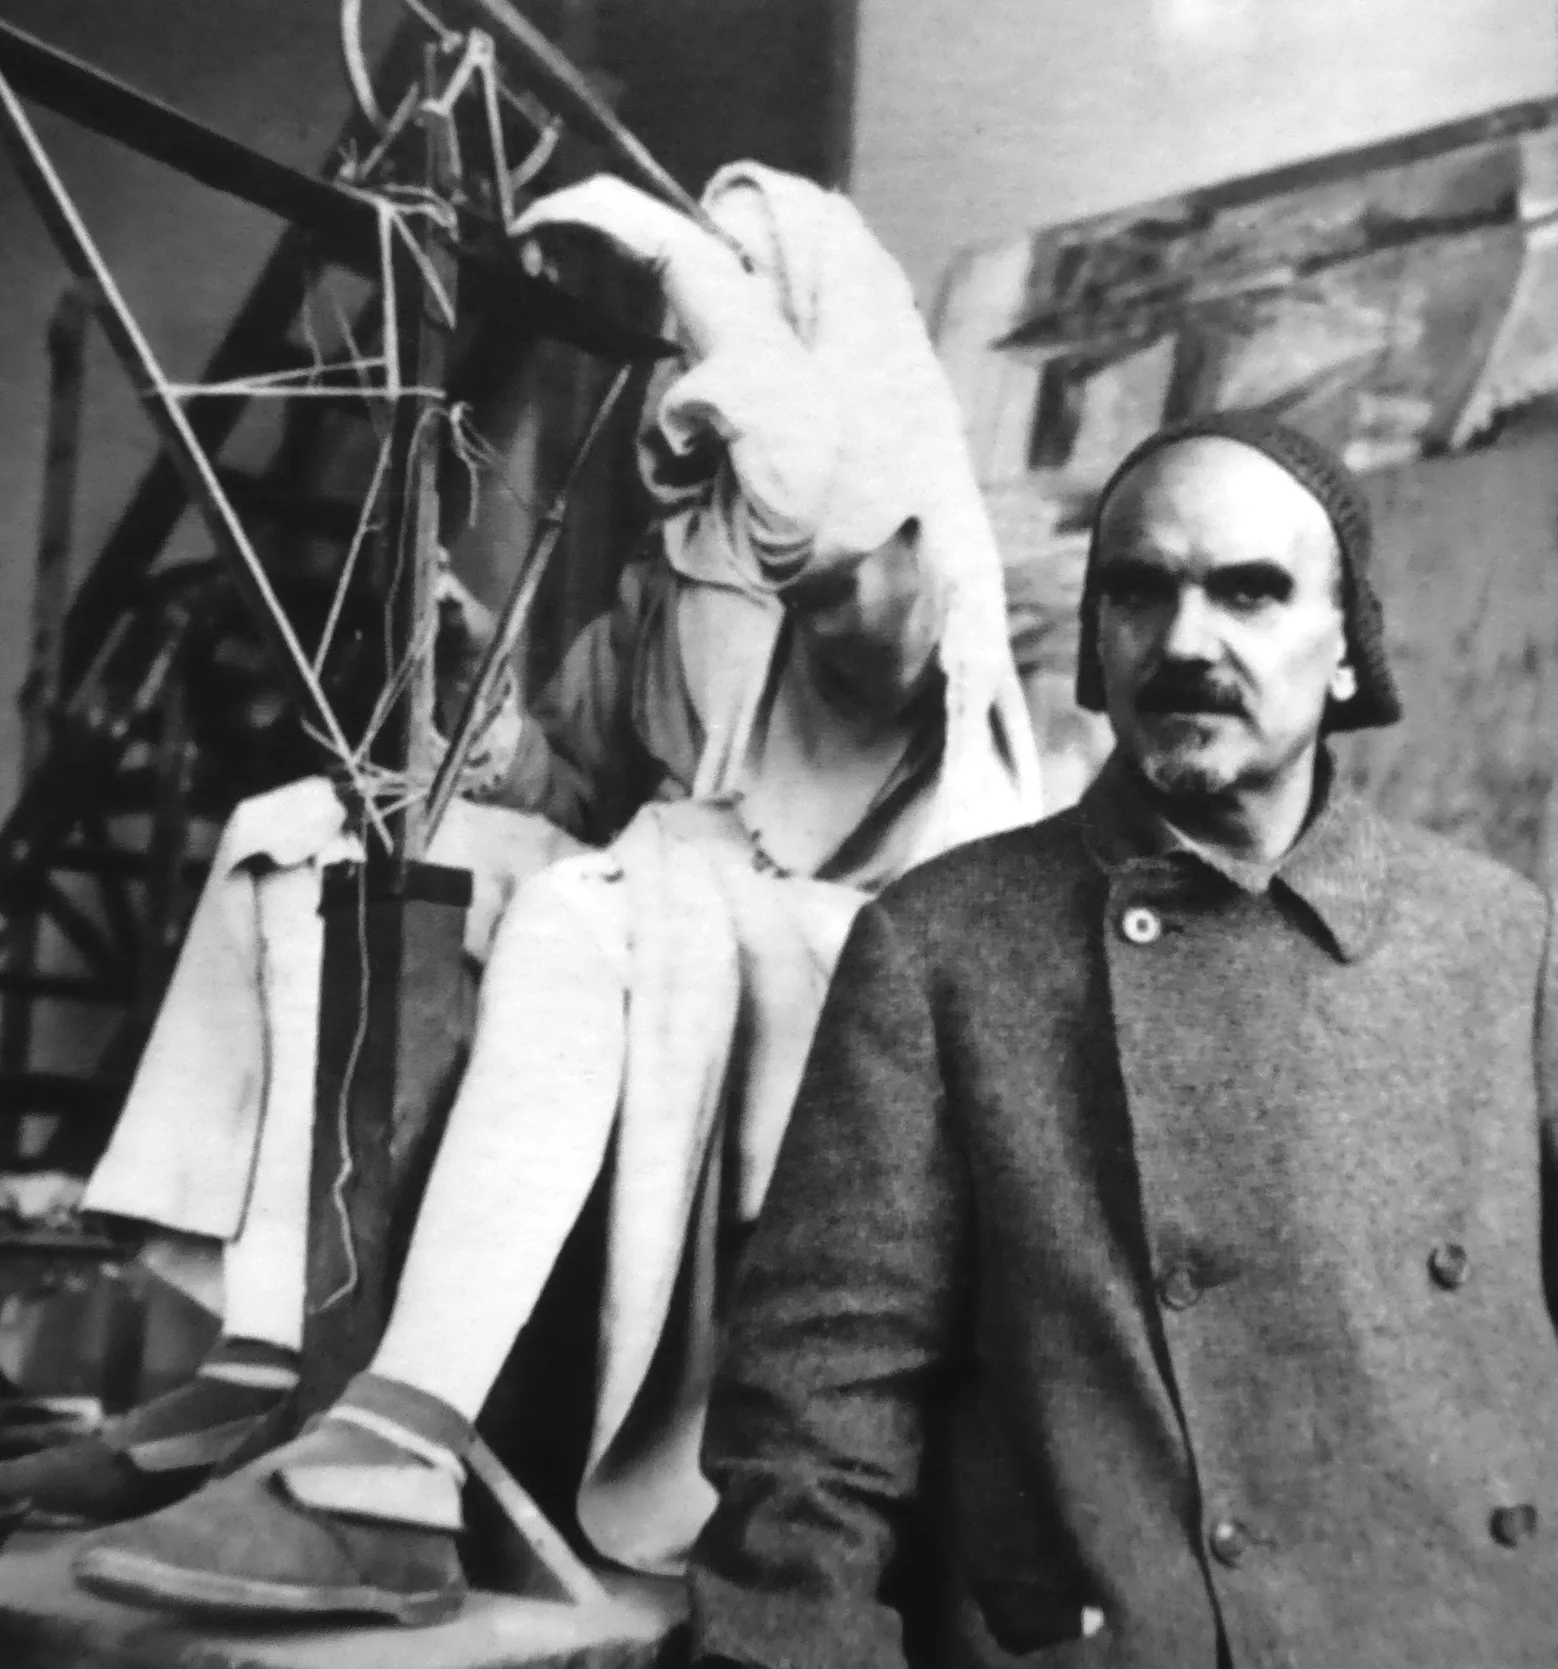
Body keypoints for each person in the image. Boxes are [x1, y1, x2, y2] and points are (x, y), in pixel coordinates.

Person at [2, 163, 1041, 1622]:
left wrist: (678, 254)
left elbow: (826, 519)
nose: (691, 341)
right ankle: (262, 1364)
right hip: (676, 892)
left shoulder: (900, 554)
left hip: (848, 964)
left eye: (748, 292)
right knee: (310, 834)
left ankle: (393, 1470)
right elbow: (586, 787)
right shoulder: (672, 571)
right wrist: (492, 724)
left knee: (585, 913)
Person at [681, 412, 1558, 1669]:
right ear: (1099, 643)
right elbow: (815, 1418)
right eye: (1141, 591)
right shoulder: (941, 946)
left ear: (1345, 649)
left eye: (1250, 592)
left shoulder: (1499, 937)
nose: (1186, 641)